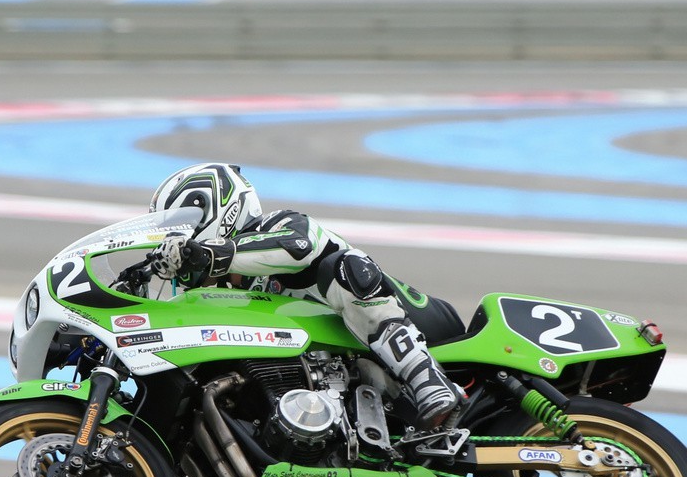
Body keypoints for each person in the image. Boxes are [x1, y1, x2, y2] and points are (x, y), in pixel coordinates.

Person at [145, 162, 464, 429]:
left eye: (181, 226)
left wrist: (211, 252)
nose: (175, 241)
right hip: (353, 378)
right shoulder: (229, 296)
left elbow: (300, 246)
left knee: (342, 267)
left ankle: (427, 378)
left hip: (427, 328)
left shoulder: (279, 224)